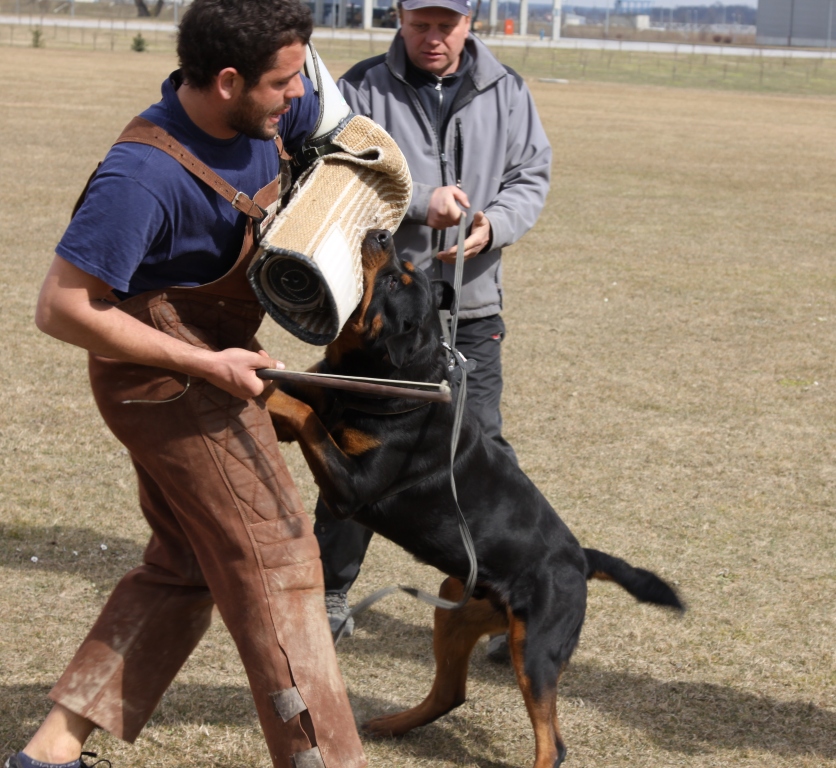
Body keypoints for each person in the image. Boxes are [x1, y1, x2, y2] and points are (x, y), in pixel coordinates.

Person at [7, 2, 368, 768]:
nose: (298, 92)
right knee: (280, 564)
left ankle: (49, 754)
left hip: (216, 358)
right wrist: (208, 364)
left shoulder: (259, 122)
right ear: (228, 80)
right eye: (283, 79)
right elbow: (62, 307)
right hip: (160, 382)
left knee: (187, 559)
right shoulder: (142, 176)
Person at [315, 0, 552, 663]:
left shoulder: (508, 91)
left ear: (472, 19)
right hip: (377, 326)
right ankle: (327, 593)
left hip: (472, 313)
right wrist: (423, 199)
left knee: (488, 458)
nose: (434, 36)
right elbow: (338, 175)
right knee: (355, 454)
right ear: (397, 14)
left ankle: (510, 599)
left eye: (447, 23)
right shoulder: (358, 89)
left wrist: (493, 224)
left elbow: (531, 177)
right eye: (420, 22)